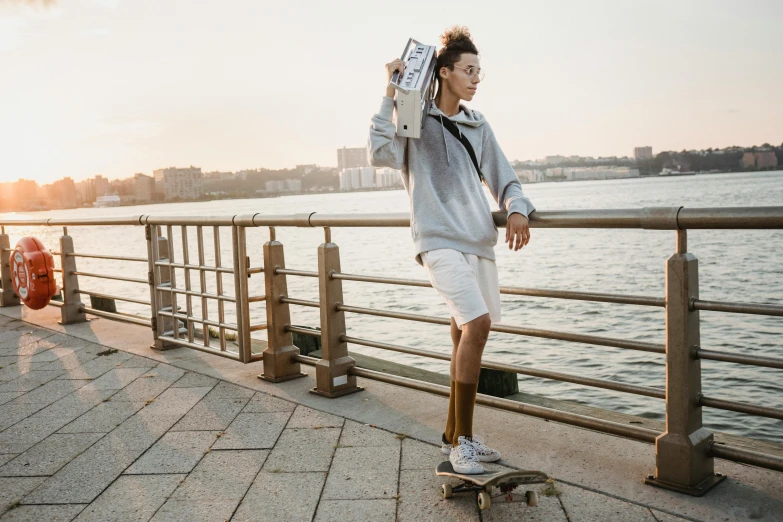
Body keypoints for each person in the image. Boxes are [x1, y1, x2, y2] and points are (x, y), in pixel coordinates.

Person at [368, 26, 535, 474]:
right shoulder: (412, 115)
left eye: (480, 71)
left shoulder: (478, 124)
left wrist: (517, 208)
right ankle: (462, 441)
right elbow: (381, 154)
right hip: (436, 239)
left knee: (465, 332)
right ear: (443, 73)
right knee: (477, 323)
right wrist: (391, 91)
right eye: (468, 70)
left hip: (477, 240)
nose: (476, 78)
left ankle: (451, 436)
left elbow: (506, 179)